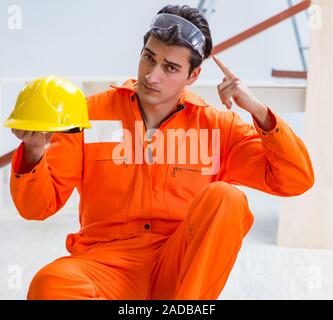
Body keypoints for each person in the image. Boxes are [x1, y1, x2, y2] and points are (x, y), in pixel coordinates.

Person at [10, 5, 314, 300]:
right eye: (148, 58)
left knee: (227, 198)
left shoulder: (217, 127)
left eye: (170, 67)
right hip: (105, 265)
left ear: (192, 76)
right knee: (50, 285)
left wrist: (259, 111)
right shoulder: (89, 114)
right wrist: (34, 151)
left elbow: (294, 180)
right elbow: (37, 208)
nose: (152, 76)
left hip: (180, 269)